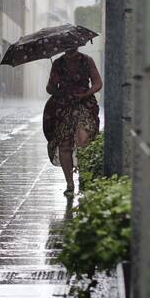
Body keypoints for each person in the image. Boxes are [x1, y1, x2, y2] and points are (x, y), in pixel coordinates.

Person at [43, 47, 102, 196]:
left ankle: (84, 178)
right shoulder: (57, 63)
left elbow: (97, 83)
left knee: (83, 140)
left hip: (84, 105)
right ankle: (70, 184)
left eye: (72, 43)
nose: (70, 46)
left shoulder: (87, 60)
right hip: (63, 107)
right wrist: (55, 86)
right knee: (64, 144)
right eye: (67, 44)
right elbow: (50, 88)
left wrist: (85, 94)